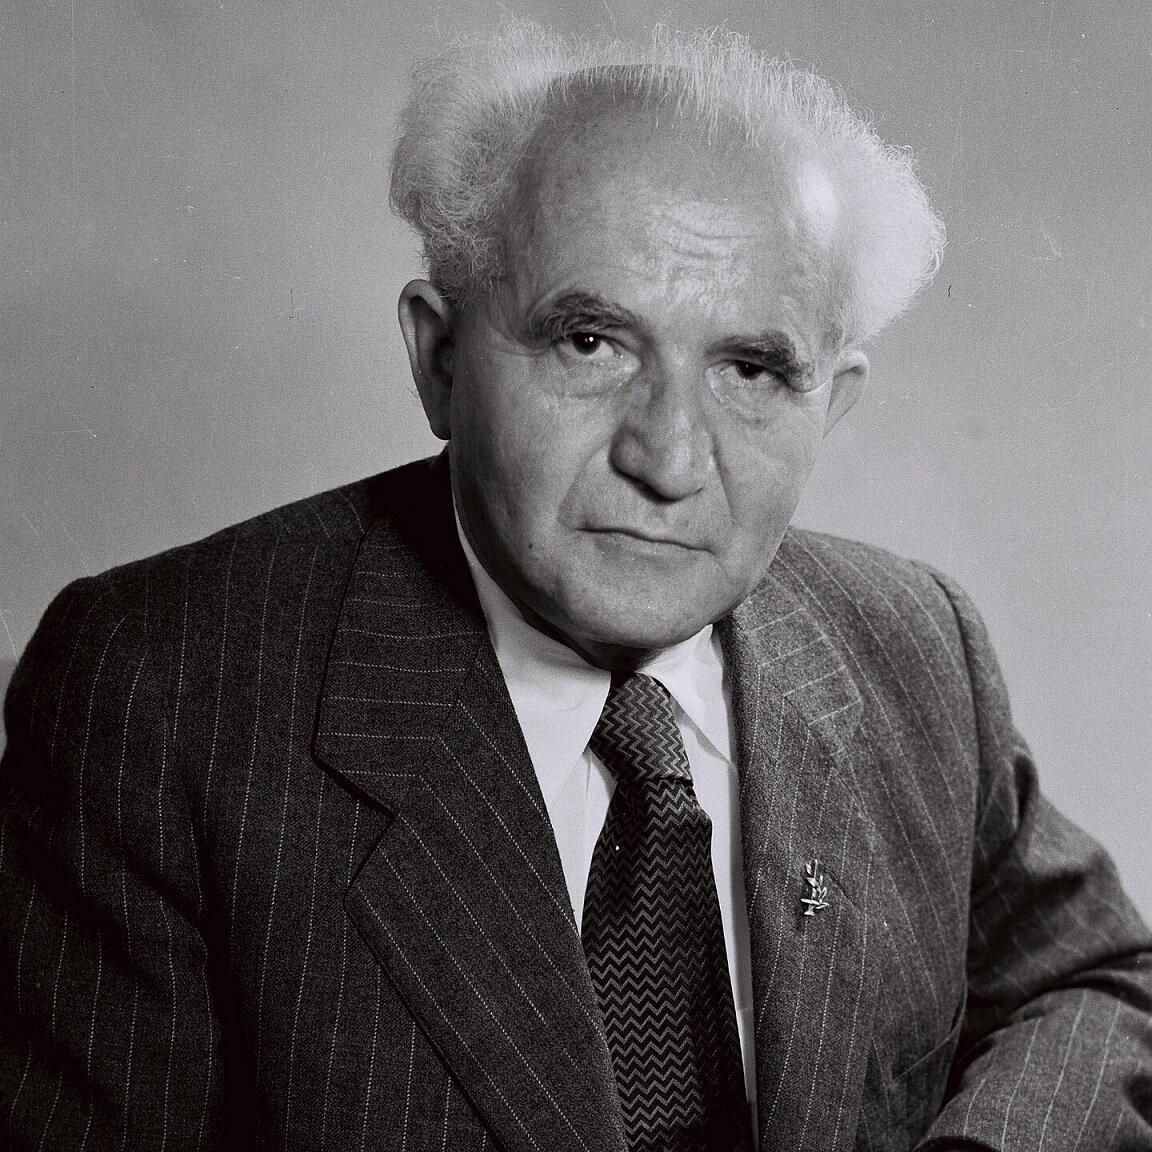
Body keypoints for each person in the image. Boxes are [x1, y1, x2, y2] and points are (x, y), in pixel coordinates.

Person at [2, 20, 1150, 1152]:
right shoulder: (157, 695)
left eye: (752, 369)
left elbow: (1098, 980)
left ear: (831, 403)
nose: (670, 459)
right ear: (439, 360)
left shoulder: (912, 642)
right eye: (591, 344)